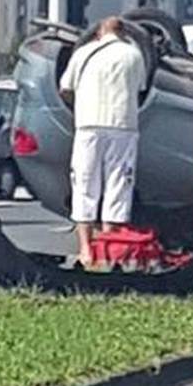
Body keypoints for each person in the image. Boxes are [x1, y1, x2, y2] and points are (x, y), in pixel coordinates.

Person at [59, 16, 147, 266]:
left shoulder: (84, 53)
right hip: (122, 125)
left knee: (85, 184)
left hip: (88, 124)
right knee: (117, 186)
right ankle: (110, 250)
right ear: (124, 33)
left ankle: (86, 250)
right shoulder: (134, 55)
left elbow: (65, 87)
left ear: (99, 32)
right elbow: (140, 87)